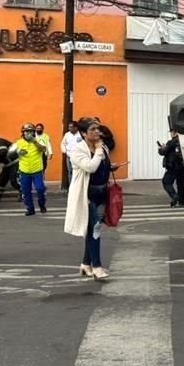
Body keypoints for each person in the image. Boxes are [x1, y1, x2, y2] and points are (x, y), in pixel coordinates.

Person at [64, 117, 112, 281]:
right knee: (96, 227)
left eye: (98, 129)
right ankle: (97, 267)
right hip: (86, 194)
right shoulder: (78, 149)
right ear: (84, 133)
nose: (97, 132)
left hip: (101, 193)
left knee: (92, 229)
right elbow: (90, 167)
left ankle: (86, 263)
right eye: (93, 129)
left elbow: (102, 166)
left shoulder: (102, 146)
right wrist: (98, 151)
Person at [15, 122, 48, 215]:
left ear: (34, 132)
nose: (28, 133)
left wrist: (34, 141)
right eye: (26, 131)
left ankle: (42, 205)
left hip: (37, 170)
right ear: (22, 133)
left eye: (30, 131)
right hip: (24, 170)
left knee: (40, 188)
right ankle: (30, 209)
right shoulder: (19, 142)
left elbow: (43, 149)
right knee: (26, 191)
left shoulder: (39, 140)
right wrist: (18, 152)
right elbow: (11, 154)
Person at [157, 129, 184, 207]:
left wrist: (160, 148)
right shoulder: (183, 142)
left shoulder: (171, 143)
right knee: (180, 183)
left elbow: (163, 152)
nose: (170, 134)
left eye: (171, 132)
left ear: (175, 133)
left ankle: (174, 196)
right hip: (181, 165)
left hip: (172, 166)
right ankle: (181, 201)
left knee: (166, 182)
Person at [60, 121, 81, 193]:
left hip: (79, 157)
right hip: (69, 156)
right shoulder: (67, 135)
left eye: (71, 127)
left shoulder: (81, 135)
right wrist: (64, 151)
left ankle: (79, 188)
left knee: (79, 172)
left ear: (76, 127)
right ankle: (72, 188)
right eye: (69, 127)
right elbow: (63, 144)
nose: (69, 129)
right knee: (70, 172)